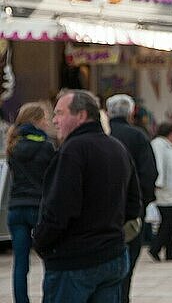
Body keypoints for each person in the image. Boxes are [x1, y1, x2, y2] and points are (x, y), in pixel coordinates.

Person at [33, 89, 141, 303]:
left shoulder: (72, 151)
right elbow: (134, 206)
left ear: (81, 115)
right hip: (112, 257)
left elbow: (59, 210)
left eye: (60, 113)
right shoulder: (117, 148)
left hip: (75, 261)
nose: (55, 121)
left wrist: (40, 241)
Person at [106, 94, 158, 303]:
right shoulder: (138, 136)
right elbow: (149, 172)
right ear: (131, 112)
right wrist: (143, 201)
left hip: (101, 209)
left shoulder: (101, 134)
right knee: (128, 254)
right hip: (131, 209)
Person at [6, 103, 55, 303]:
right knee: (49, 259)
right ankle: (49, 298)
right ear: (35, 120)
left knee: (20, 263)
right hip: (38, 207)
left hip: (16, 208)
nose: (48, 122)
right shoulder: (46, 146)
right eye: (44, 118)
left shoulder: (13, 145)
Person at [148, 122, 172, 262]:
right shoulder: (158, 144)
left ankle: (170, 252)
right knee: (167, 223)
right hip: (165, 191)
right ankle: (155, 248)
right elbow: (158, 164)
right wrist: (159, 183)